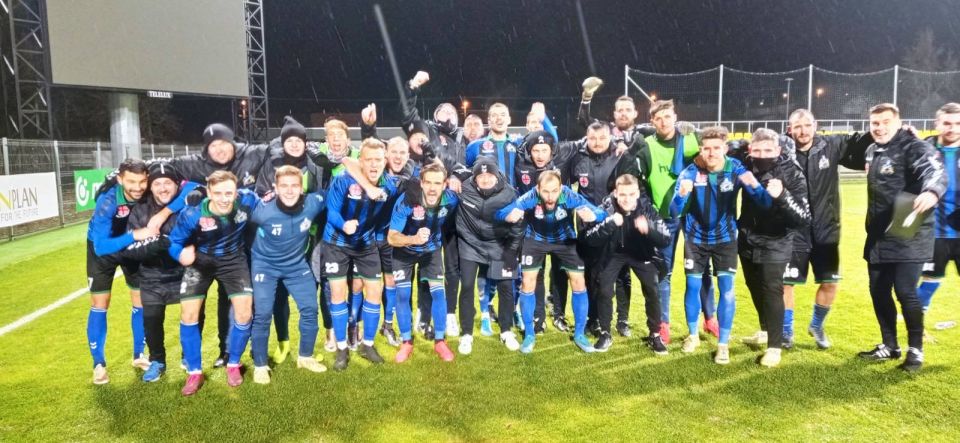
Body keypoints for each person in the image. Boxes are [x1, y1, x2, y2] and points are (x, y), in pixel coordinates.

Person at [847, 103, 945, 372]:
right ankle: (890, 345)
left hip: (908, 231)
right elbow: (847, 154)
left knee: (905, 291)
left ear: (899, 123)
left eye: (885, 122)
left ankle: (916, 350)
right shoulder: (872, 150)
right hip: (878, 234)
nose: (880, 128)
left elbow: (935, 170)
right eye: (875, 123)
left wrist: (932, 191)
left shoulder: (913, 146)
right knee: (878, 290)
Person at [614, 99, 717, 343]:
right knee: (663, 271)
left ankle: (710, 317)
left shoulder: (691, 140)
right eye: (658, 118)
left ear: (675, 117)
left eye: (667, 116)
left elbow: (718, 151)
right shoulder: (647, 145)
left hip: (694, 216)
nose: (663, 122)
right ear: (652, 121)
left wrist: (699, 133)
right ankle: (663, 323)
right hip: (664, 218)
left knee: (702, 269)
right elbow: (627, 176)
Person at [669, 126, 769, 364]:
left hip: (725, 239)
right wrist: (681, 195)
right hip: (695, 238)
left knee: (727, 288)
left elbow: (764, 202)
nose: (711, 153)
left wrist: (755, 187)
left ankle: (723, 345)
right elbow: (673, 210)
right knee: (693, 286)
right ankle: (693, 335)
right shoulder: (691, 172)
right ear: (700, 149)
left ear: (725, 148)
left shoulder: (735, 169)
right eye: (706, 148)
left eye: (716, 148)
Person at [780, 108, 873, 349]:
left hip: (826, 230)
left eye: (807, 125)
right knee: (785, 283)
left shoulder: (831, 145)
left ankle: (817, 325)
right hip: (793, 231)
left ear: (815, 125)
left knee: (830, 282)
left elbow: (861, 141)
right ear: (790, 129)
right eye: (797, 126)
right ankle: (786, 332)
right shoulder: (782, 150)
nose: (803, 131)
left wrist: (893, 135)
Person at [168, 170, 260, 395]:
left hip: (233, 261)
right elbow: (174, 242)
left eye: (229, 193)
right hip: (200, 262)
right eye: (218, 193)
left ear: (236, 192)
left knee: (244, 313)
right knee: (188, 315)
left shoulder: (247, 200)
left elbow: (268, 202)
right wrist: (180, 254)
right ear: (208, 192)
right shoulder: (192, 214)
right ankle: (194, 372)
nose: (224, 198)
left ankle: (233, 364)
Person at [499, 170, 606, 353]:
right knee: (527, 282)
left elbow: (600, 213)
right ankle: (530, 334)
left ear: (561, 188)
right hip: (535, 240)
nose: (550, 197)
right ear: (538, 188)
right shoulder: (530, 196)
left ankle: (580, 334)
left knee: (579, 282)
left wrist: (594, 216)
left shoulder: (569, 195)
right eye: (546, 191)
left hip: (565, 240)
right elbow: (501, 213)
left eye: (555, 191)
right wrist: (509, 216)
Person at [322, 138, 402, 370]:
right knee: (338, 293)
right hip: (336, 242)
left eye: (378, 160)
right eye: (369, 160)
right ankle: (342, 349)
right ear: (361, 162)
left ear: (385, 161)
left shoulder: (390, 186)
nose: (374, 164)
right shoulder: (342, 180)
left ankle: (367, 345)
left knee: (375, 291)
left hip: (366, 244)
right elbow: (331, 212)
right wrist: (344, 225)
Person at [736, 129, 810, 367]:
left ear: (778, 150)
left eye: (768, 150)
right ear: (750, 150)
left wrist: (782, 195)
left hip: (776, 242)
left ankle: (775, 347)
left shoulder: (792, 172)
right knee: (753, 286)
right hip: (747, 238)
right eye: (757, 150)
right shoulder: (745, 162)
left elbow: (803, 217)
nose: (762, 155)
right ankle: (766, 331)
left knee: (772, 291)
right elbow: (728, 147)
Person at [119, 161, 198, 382]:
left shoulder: (190, 204)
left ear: (177, 185)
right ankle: (157, 360)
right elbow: (129, 251)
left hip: (184, 272)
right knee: (152, 319)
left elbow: (200, 187)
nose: (163, 188)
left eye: (168, 183)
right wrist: (156, 245)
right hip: (152, 274)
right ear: (150, 187)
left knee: (194, 314)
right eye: (157, 184)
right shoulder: (139, 210)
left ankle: (188, 356)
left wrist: (188, 247)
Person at [249, 166, 329, 384]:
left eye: (294, 185)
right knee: (263, 314)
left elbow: (331, 194)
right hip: (265, 266)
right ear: (275, 188)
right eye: (284, 186)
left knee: (310, 309)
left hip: (296, 266)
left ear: (302, 188)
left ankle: (305, 357)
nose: (290, 190)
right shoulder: (262, 210)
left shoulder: (312, 203)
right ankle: (260, 366)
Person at [85, 158, 158, 384]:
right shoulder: (107, 201)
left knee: (140, 300)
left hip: (131, 248)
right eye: (131, 182)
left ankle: (138, 355)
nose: (137, 187)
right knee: (100, 303)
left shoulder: (149, 191)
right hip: (102, 250)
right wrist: (135, 235)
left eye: (142, 181)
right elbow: (101, 246)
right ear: (120, 179)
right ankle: (98, 364)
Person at [581, 174, 671, 354]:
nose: (627, 199)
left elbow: (666, 238)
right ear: (615, 193)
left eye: (631, 194)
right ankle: (605, 333)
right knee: (604, 289)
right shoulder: (606, 208)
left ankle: (655, 334)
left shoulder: (647, 208)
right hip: (612, 254)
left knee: (652, 289)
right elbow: (589, 238)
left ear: (637, 193)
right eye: (622, 194)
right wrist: (610, 224)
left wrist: (649, 230)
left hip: (641, 254)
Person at [388, 162, 460, 362]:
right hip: (404, 251)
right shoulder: (407, 201)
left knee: (438, 293)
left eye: (437, 183)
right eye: (428, 182)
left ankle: (440, 341)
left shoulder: (451, 199)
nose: (432, 188)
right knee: (403, 295)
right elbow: (391, 237)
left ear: (444, 185)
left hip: (431, 250)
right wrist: (413, 239)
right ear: (421, 183)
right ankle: (406, 342)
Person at [455, 158, 524, 354]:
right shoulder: (463, 188)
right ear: (474, 177)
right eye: (481, 176)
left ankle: (506, 331)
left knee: (506, 287)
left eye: (489, 175)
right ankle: (466, 334)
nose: (485, 179)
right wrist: (453, 176)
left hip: (499, 245)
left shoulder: (509, 194)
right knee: (467, 285)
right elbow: (449, 172)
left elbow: (518, 226)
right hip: (470, 243)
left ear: (497, 175)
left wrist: (511, 251)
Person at [917, 103, 960, 318]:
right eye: (947, 123)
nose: (952, 129)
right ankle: (916, 325)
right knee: (929, 281)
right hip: (933, 232)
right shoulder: (924, 149)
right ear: (937, 124)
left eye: (958, 124)